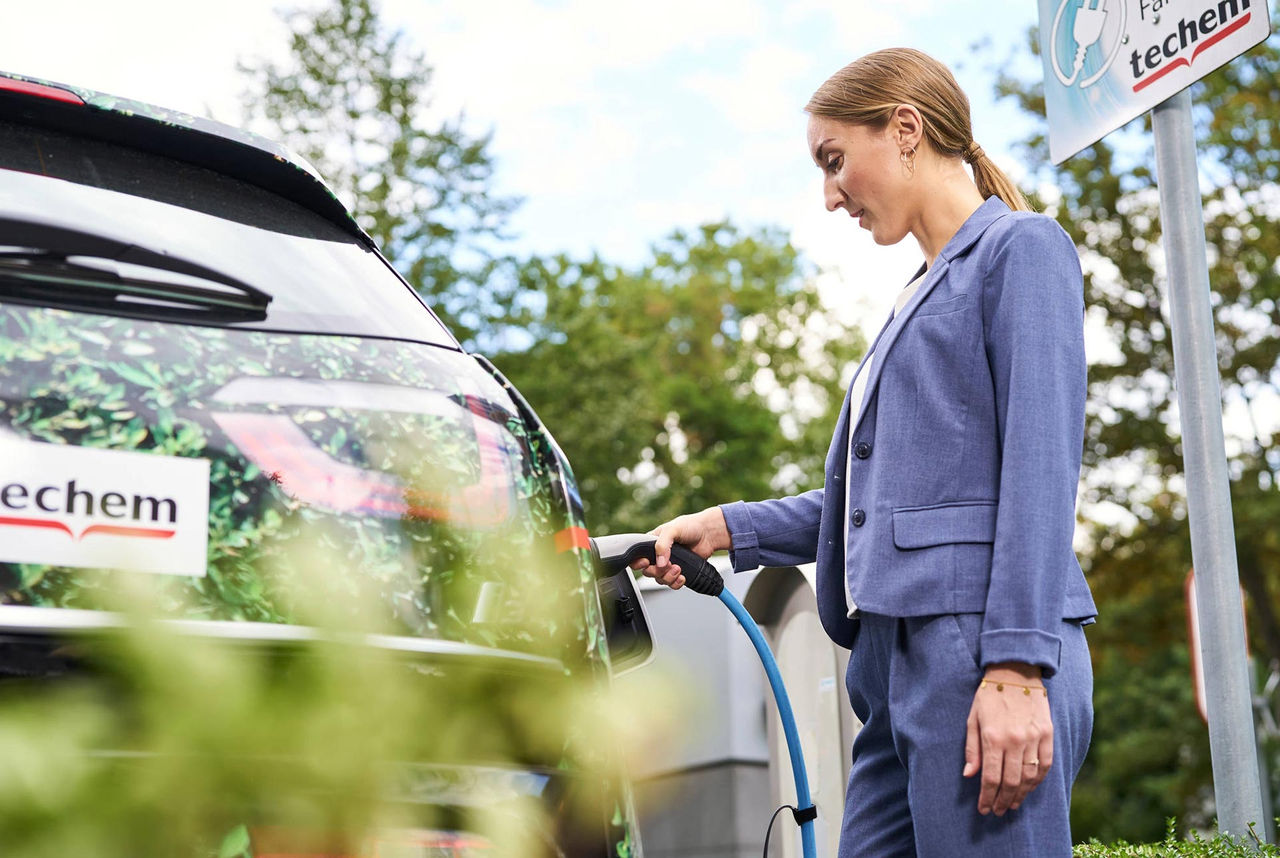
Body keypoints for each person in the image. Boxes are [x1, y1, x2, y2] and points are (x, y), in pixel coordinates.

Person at [631, 48, 1096, 858]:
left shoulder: (1019, 250)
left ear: (905, 129)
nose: (829, 195)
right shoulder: (917, 293)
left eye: (834, 160)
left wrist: (1018, 669)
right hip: (889, 668)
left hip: (979, 650)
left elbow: (1041, 468)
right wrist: (730, 528)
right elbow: (878, 507)